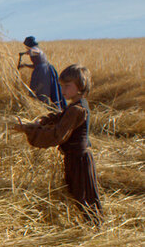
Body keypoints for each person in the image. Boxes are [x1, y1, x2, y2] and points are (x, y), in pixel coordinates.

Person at [12, 64, 102, 223]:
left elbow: (57, 135)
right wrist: (43, 121)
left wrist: (29, 130)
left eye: (67, 86)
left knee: (84, 195)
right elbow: (61, 118)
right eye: (61, 86)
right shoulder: (76, 105)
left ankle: (95, 227)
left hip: (79, 160)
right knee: (77, 192)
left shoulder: (77, 109)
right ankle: (90, 224)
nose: (63, 90)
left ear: (80, 86)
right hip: (75, 158)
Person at [19, 36, 65, 110]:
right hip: (41, 70)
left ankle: (44, 107)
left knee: (42, 89)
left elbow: (36, 51)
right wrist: (25, 65)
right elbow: (35, 65)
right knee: (38, 89)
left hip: (43, 72)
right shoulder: (35, 50)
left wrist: (29, 51)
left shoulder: (35, 49)